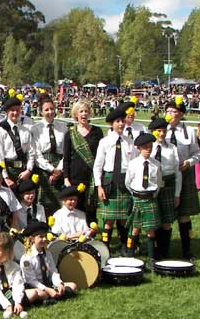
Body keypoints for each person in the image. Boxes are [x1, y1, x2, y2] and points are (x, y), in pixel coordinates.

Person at [93, 103, 137, 253]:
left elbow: (134, 164)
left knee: (125, 217)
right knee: (108, 219)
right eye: (117, 121)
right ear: (111, 124)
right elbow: (98, 166)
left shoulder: (130, 142)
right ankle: (106, 247)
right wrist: (99, 186)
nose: (121, 124)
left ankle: (125, 245)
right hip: (109, 181)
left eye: (122, 121)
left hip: (125, 181)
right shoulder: (104, 142)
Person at [166, 97, 200, 261]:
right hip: (165, 175)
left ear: (180, 114)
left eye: (173, 111)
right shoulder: (159, 129)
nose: (170, 114)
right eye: (168, 111)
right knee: (164, 214)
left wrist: (189, 162)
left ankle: (187, 250)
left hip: (184, 173)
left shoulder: (189, 131)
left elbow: (197, 153)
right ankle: (162, 250)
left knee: (184, 214)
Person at [62, 99, 103, 223]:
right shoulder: (70, 134)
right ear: (76, 115)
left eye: (86, 111)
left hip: (92, 176)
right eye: (81, 112)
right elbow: (66, 158)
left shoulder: (97, 132)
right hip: (75, 177)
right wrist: (66, 177)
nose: (84, 114)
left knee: (91, 208)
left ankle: (91, 236)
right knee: (77, 208)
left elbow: (101, 156)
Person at [124, 133, 162, 267]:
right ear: (139, 148)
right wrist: (136, 195)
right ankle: (130, 254)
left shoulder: (156, 164)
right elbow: (128, 182)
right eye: (145, 147)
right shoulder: (133, 164)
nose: (148, 149)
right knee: (135, 229)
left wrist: (151, 195)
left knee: (150, 229)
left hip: (150, 199)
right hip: (137, 198)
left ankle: (152, 258)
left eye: (150, 147)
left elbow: (158, 183)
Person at [19, 222, 77, 303]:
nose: (44, 239)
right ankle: (50, 297)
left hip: (48, 284)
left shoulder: (47, 253)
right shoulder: (27, 258)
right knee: (41, 294)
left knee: (73, 285)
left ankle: (51, 298)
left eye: (45, 236)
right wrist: (47, 289)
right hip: (35, 287)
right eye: (41, 237)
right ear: (32, 239)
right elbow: (31, 281)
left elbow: (53, 271)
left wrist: (59, 284)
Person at [149, 118, 181, 259]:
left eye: (163, 131)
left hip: (168, 185)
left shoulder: (172, 148)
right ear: (152, 132)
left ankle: (164, 251)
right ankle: (153, 251)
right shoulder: (148, 148)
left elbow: (177, 172)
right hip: (152, 186)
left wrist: (177, 194)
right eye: (158, 131)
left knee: (167, 221)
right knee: (154, 221)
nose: (161, 134)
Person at [31, 94, 68, 214]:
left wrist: (59, 170)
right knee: (44, 203)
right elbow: (36, 154)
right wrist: (51, 170)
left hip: (60, 166)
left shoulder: (63, 127)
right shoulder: (36, 128)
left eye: (52, 109)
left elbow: (67, 151)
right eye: (46, 109)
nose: (50, 112)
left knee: (61, 202)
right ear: (41, 112)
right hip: (44, 168)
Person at [0, 96, 36, 189]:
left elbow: (31, 152)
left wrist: (28, 170)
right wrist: (5, 177)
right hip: (8, 170)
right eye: (12, 110)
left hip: (24, 171)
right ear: (7, 112)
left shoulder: (25, 130)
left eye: (17, 110)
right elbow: (0, 156)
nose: (15, 113)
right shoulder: (2, 131)